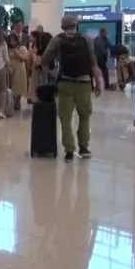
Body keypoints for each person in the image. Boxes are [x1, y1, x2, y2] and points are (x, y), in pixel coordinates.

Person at [41, 16, 103, 161]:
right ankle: (84, 147)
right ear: (76, 25)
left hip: (65, 83)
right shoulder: (86, 39)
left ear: (62, 26)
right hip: (84, 83)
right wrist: (98, 82)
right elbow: (93, 62)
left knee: (66, 118)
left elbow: (44, 61)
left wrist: (53, 74)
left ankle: (69, 150)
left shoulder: (58, 39)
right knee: (85, 116)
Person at [7, 34, 30, 111]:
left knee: (19, 85)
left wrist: (18, 54)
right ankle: (12, 101)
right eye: (11, 40)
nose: (12, 42)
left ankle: (18, 100)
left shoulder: (22, 48)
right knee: (12, 85)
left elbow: (26, 58)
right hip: (11, 69)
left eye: (14, 40)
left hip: (19, 69)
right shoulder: (8, 49)